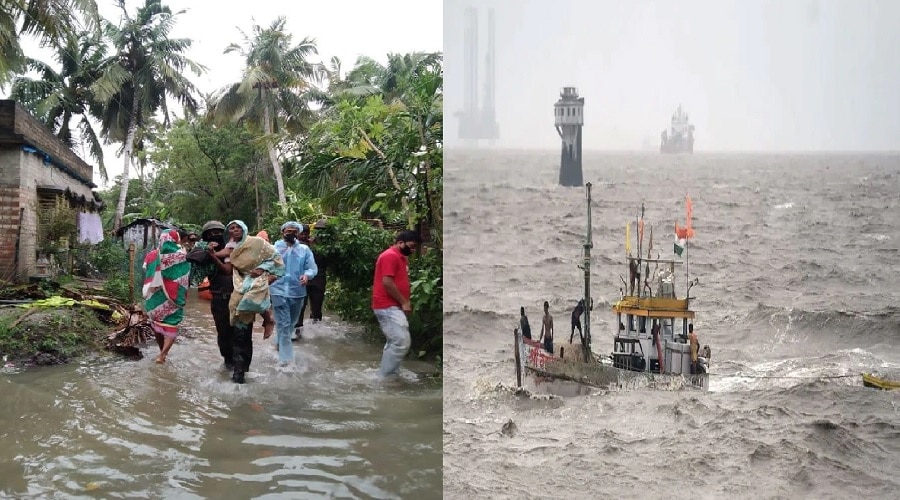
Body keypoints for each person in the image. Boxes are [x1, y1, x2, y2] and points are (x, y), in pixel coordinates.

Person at [225, 220, 285, 383]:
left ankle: (240, 373)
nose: (235, 230)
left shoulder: (257, 243)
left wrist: (264, 271)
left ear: (244, 228)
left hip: (255, 283)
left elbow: (276, 258)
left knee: (243, 330)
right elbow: (225, 261)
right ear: (228, 231)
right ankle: (240, 372)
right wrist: (208, 252)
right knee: (239, 331)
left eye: (238, 227)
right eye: (232, 228)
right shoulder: (231, 246)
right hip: (238, 285)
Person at [371, 230, 421, 378]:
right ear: (400, 243)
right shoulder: (390, 256)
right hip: (387, 306)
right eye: (411, 246)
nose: (412, 250)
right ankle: (385, 378)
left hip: (393, 306)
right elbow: (387, 282)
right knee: (400, 341)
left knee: (395, 341)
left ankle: (390, 374)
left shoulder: (401, 257)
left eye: (414, 247)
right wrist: (404, 302)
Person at [187, 221, 236, 370]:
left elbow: (230, 267)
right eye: (212, 233)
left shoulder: (232, 247)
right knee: (223, 332)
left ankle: (238, 362)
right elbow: (192, 257)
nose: (216, 235)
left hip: (237, 297)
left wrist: (214, 255)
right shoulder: (202, 249)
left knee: (238, 331)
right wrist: (209, 253)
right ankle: (228, 360)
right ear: (207, 236)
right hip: (219, 297)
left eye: (219, 232)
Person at [270, 221, 318, 366]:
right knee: (284, 324)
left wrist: (307, 276)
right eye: (288, 231)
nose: (291, 233)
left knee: (291, 323)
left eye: (294, 231)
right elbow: (265, 265)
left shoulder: (304, 249)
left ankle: (279, 342)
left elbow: (311, 268)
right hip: (277, 290)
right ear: (282, 232)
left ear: (298, 234)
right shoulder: (273, 249)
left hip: (297, 291)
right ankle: (286, 361)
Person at [142, 229, 191, 364]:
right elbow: (185, 272)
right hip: (173, 295)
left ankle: (160, 352)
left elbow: (146, 270)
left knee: (156, 323)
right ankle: (163, 355)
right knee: (171, 323)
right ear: (176, 239)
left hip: (155, 295)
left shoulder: (152, 255)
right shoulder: (181, 254)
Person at [297, 220, 329, 328]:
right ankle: (298, 328)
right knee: (301, 305)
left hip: (318, 279)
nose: (304, 235)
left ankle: (315, 328)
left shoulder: (324, 246)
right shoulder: (297, 246)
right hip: (303, 280)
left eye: (306, 233)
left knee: (317, 306)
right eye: (302, 233)